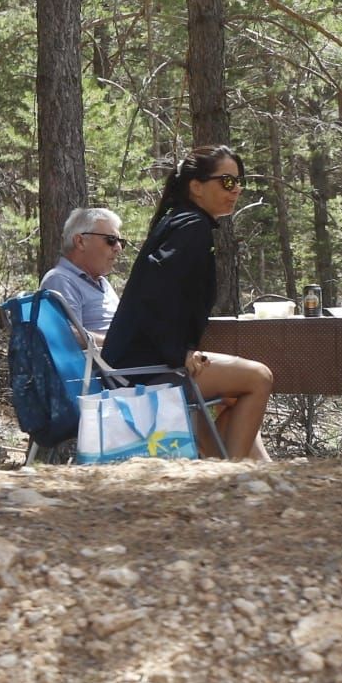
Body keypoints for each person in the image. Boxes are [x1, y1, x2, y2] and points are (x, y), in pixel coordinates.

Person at [103, 146, 274, 461]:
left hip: (131, 364)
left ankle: (227, 463)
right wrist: (178, 351)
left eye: (239, 182)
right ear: (196, 187)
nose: (235, 189)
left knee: (235, 398)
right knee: (259, 377)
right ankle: (231, 475)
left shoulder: (181, 222)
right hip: (145, 370)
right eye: (226, 181)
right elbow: (154, 293)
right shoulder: (191, 227)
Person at [40, 207, 124, 341]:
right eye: (111, 239)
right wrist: (119, 343)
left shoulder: (102, 282)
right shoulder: (60, 279)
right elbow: (66, 336)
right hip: (102, 360)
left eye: (121, 242)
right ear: (80, 242)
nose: (118, 248)